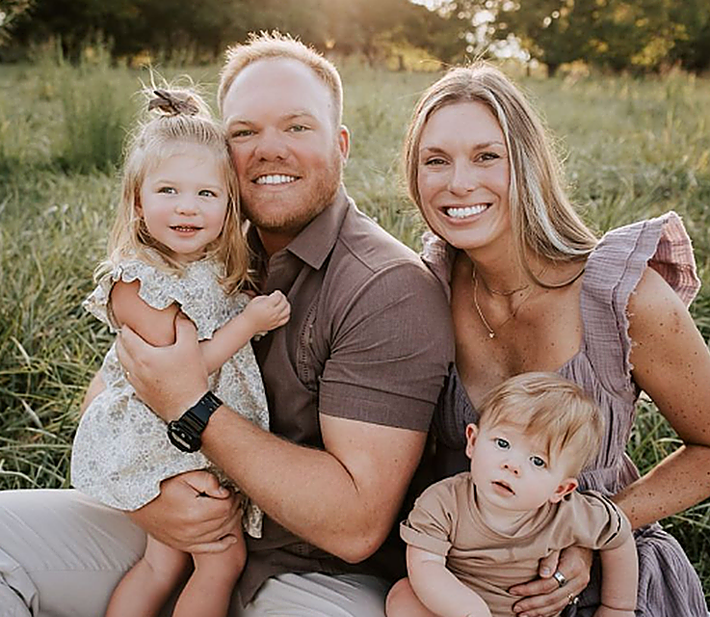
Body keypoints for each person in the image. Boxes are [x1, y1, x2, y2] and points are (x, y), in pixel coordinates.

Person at [0, 33, 453, 617]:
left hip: (309, 572)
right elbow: (110, 395)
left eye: (297, 127)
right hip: (177, 534)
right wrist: (153, 499)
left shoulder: (385, 287)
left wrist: (191, 405)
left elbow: (355, 526)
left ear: (340, 145)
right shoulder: (202, 251)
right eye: (244, 132)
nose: (270, 149)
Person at [402, 61, 710, 617]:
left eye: (486, 156)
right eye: (436, 161)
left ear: (528, 163)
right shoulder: (427, 288)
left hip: (610, 580)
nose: (459, 183)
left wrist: (590, 533)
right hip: (464, 584)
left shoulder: (623, 296)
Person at [70, 87, 290, 617]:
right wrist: (251, 323)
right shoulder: (139, 281)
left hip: (194, 433)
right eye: (168, 190)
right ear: (138, 202)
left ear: (228, 206)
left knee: (170, 562)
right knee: (217, 558)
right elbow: (182, 373)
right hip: (160, 439)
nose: (187, 207)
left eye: (206, 195)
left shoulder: (207, 268)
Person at [386, 372, 638, 617]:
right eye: (502, 444)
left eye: (538, 461)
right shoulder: (443, 502)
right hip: (452, 607)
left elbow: (619, 536)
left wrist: (618, 607)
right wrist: (469, 611)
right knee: (403, 595)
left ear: (560, 489)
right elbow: (425, 566)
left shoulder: (571, 514)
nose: (512, 465)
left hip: (524, 611)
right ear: (472, 441)